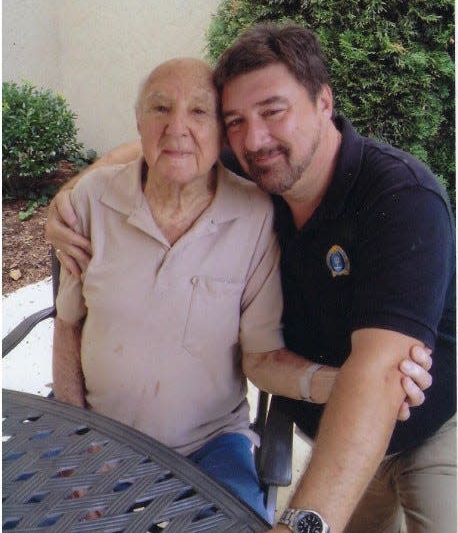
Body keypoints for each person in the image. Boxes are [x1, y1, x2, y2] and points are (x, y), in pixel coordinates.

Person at [47, 46, 436, 530]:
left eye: (199, 112)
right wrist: (77, 435)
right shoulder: (93, 200)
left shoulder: (263, 211)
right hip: (99, 432)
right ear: (140, 120)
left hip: (222, 443)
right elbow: (67, 324)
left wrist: (345, 386)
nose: (177, 127)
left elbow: (273, 359)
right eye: (159, 108)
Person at [212, 23, 456, 533]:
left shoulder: (400, 197)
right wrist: (73, 198)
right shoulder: (257, 174)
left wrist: (303, 523)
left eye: (273, 111)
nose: (253, 139)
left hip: (435, 425)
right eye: (234, 121)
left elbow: (384, 373)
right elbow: (168, 144)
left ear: (323, 102)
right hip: (338, 432)